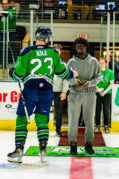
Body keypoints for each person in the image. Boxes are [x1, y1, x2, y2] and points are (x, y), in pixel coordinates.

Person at [7, 26, 78, 163]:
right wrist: (72, 73)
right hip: (46, 91)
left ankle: (19, 150)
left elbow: (18, 74)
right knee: (42, 120)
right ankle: (43, 149)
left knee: (22, 120)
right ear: (47, 38)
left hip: (30, 91)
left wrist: (12, 72)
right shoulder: (53, 52)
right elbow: (62, 73)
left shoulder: (26, 51)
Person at [67, 37, 100, 155]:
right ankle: (73, 144)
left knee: (89, 121)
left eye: (80, 46)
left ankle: (88, 144)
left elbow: (98, 77)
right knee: (73, 121)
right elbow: (67, 77)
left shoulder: (94, 61)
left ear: (86, 47)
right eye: (76, 46)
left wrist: (89, 83)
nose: (78, 48)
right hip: (74, 95)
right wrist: (74, 82)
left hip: (90, 94)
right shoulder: (71, 62)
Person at [52, 43, 68, 137]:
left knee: (58, 111)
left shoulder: (63, 65)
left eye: (58, 51)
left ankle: (58, 130)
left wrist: (64, 91)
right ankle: (43, 129)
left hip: (58, 91)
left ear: (60, 52)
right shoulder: (47, 63)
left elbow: (66, 79)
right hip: (48, 90)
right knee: (45, 110)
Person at [95, 57, 114, 134]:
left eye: (103, 63)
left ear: (106, 63)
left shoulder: (110, 72)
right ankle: (97, 126)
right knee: (97, 110)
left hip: (107, 94)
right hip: (98, 94)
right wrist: (99, 90)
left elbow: (112, 83)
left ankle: (106, 126)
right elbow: (93, 83)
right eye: (100, 63)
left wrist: (105, 92)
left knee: (106, 110)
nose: (101, 64)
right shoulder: (96, 72)